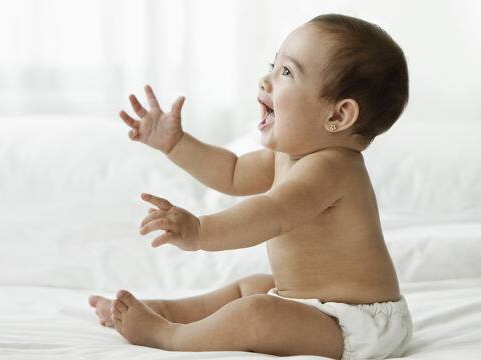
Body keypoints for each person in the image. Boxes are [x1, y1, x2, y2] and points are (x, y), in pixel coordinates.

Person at [89, 13, 413, 360]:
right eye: (273, 65)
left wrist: (200, 230)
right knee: (253, 287)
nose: (265, 79)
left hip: (358, 325)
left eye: (286, 72)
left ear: (337, 116)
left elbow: (271, 213)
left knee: (256, 313)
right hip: (312, 307)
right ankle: (166, 309)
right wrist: (176, 144)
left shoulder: (333, 168)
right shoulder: (288, 157)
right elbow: (231, 172)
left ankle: (165, 334)